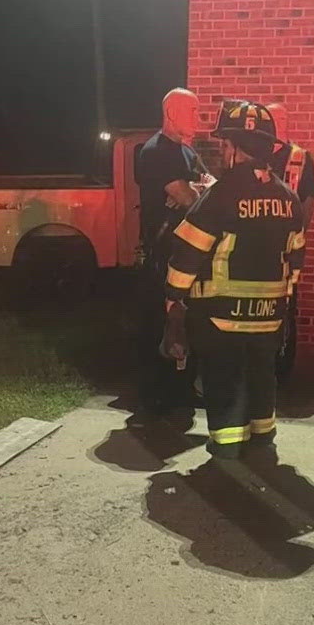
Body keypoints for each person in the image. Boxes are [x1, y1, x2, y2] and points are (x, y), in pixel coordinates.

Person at [159, 100, 306, 460]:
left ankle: (225, 449)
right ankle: (262, 438)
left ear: (234, 148)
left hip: (220, 314)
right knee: (261, 377)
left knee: (224, 380)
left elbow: (188, 252)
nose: (222, 151)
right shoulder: (288, 197)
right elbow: (296, 256)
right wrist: (282, 301)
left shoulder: (219, 195)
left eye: (225, 144)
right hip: (270, 314)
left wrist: (173, 299)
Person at [132, 88, 209, 426]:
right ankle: (155, 396)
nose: (198, 117)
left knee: (184, 321)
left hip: (187, 253)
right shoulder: (156, 152)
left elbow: (207, 189)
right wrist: (196, 195)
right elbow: (189, 197)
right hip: (163, 253)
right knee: (162, 323)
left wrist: (198, 194)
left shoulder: (189, 153)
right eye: (191, 111)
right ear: (171, 111)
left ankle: (181, 388)